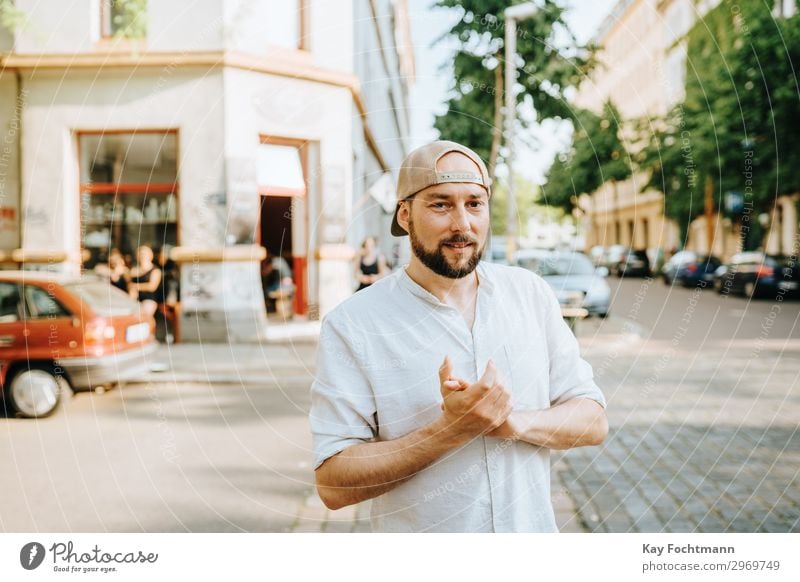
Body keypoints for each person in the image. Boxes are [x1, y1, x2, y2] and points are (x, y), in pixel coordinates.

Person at [310, 140, 608, 533]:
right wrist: (449, 431)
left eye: (474, 204)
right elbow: (332, 483)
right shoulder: (353, 324)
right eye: (440, 204)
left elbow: (592, 420)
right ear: (404, 213)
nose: (462, 224)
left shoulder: (530, 294)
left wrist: (510, 423)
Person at [128, 245, 162, 320]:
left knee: (143, 318)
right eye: (140, 254)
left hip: (149, 299)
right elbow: (129, 285)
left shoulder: (155, 270)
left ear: (150, 256)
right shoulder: (133, 270)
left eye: (145, 254)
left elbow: (152, 287)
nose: (142, 256)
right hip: (133, 300)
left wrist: (135, 286)